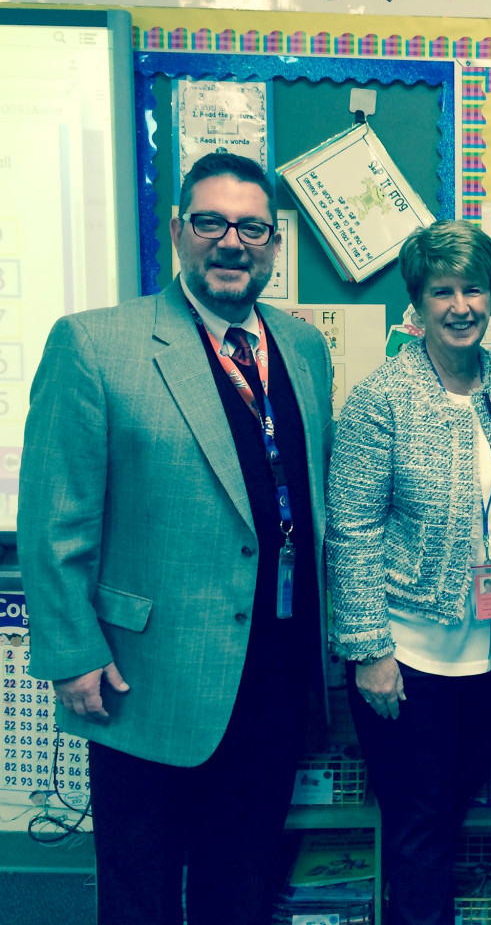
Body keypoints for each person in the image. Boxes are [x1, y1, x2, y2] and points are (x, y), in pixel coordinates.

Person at [17, 152, 335, 925]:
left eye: (252, 227)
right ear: (176, 231)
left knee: (243, 886)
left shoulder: (303, 349)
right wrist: (72, 653)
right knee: (141, 894)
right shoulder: (96, 345)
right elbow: (53, 519)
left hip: (274, 674)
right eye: (211, 222)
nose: (233, 241)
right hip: (143, 678)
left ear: (273, 242)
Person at [326, 219, 491, 925]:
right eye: (442, 291)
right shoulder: (379, 398)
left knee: (453, 816)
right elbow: (349, 531)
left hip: (489, 654)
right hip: (406, 661)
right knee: (419, 832)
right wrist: (370, 653)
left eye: (473, 288)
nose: (460, 305)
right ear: (417, 302)